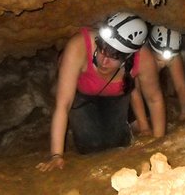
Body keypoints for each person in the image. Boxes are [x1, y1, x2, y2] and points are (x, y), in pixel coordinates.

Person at [36, 12, 166, 172]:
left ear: (128, 57)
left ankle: (127, 126)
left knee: (118, 144)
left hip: (118, 97)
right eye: (102, 50)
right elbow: (63, 104)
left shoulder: (144, 59)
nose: (104, 60)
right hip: (81, 96)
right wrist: (56, 156)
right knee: (90, 147)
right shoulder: (79, 46)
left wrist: (159, 144)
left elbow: (154, 99)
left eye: (114, 57)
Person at [131, 25, 185, 136]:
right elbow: (135, 92)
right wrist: (144, 126)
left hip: (150, 89)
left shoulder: (171, 54)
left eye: (166, 60)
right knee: (136, 125)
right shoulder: (140, 55)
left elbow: (181, 85)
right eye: (159, 59)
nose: (163, 63)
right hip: (127, 91)